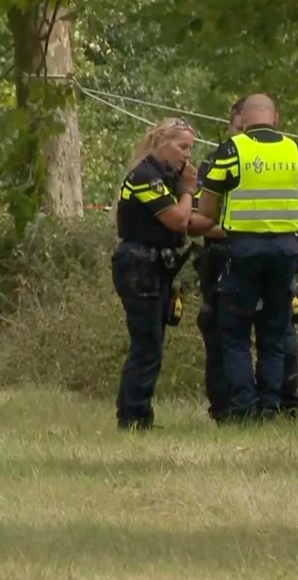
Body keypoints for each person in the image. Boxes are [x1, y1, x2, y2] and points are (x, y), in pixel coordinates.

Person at [195, 93, 298, 422]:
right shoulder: (297, 153)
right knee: (275, 332)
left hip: (243, 252)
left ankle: (242, 409)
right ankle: (270, 407)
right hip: (285, 252)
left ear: (244, 118)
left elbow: (207, 210)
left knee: (235, 334)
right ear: (275, 118)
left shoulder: (230, 152)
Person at [111, 117, 198, 431]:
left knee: (153, 343)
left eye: (190, 148)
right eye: (181, 146)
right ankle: (133, 417)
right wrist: (188, 191)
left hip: (156, 264)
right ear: (161, 141)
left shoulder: (166, 177)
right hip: (139, 264)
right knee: (146, 345)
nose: (187, 155)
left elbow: (192, 220)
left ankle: (139, 413)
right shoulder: (147, 177)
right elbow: (178, 220)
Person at [189, 98, 245, 424]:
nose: (243, 136)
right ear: (230, 125)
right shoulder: (214, 163)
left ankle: (275, 409)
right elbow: (200, 220)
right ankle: (224, 410)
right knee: (220, 335)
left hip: (265, 258)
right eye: (239, 129)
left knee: (276, 336)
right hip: (222, 257)